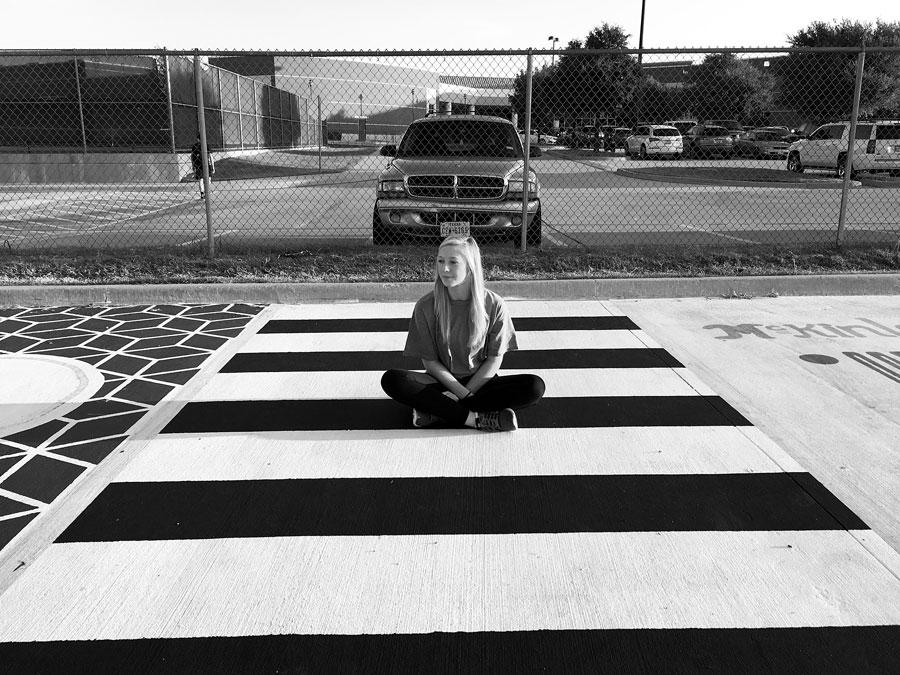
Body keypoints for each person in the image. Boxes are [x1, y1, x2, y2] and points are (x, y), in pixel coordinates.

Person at [381, 235, 545, 432]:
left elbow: (494, 359)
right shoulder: (425, 306)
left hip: (480, 383)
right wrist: (462, 395)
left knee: (534, 386)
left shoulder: (494, 304)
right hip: (441, 382)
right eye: (440, 261)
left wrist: (464, 394)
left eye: (453, 262)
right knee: (392, 380)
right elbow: (431, 363)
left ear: (470, 267)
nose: (444, 269)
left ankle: (437, 412)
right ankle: (476, 419)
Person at [190, 134, 215, 199]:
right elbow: (210, 156)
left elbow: (192, 157)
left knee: (201, 179)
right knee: (208, 178)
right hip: (206, 164)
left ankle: (202, 193)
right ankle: (206, 191)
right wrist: (213, 166)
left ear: (198, 139)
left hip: (198, 165)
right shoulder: (206, 145)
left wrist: (193, 165)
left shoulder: (195, 146)